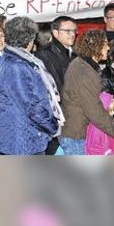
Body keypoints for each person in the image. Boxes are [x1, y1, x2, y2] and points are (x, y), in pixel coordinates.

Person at [0, 17, 62, 155]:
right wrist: (52, 126)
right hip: (22, 140)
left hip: (28, 137)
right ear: (30, 40)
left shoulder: (20, 61)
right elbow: (30, 105)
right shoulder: (15, 65)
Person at [60, 29, 114, 155]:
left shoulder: (81, 64)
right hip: (77, 137)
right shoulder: (85, 72)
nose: (108, 48)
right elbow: (95, 111)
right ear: (96, 46)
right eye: (105, 44)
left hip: (77, 133)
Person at [38, 16, 78, 155]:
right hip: (59, 119)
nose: (72, 34)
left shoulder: (74, 53)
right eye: (67, 31)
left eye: (74, 31)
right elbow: (55, 87)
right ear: (55, 33)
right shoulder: (45, 54)